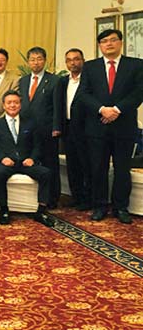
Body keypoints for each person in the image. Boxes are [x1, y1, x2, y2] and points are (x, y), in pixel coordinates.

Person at [79, 29, 143, 224]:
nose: (109, 44)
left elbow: (138, 92)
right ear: (100, 45)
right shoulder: (90, 67)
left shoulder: (136, 65)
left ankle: (120, 207)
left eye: (113, 40)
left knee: (122, 169)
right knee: (98, 168)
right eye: (104, 41)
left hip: (124, 126)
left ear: (121, 43)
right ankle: (99, 206)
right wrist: (102, 110)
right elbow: (83, 94)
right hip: (97, 126)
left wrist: (116, 110)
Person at [0, 90, 54, 226]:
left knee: (46, 173)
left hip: (25, 162)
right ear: (4, 105)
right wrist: (2, 158)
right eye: (9, 103)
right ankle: (4, 210)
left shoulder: (31, 123)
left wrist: (32, 159)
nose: (12, 105)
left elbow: (37, 145)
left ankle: (41, 211)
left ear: (20, 105)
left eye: (16, 102)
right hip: (6, 162)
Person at [18, 46, 59, 207]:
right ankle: (34, 198)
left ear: (45, 61)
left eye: (39, 59)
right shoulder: (23, 80)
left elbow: (57, 106)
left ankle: (52, 198)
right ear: (28, 62)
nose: (36, 62)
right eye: (32, 59)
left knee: (50, 163)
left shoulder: (54, 80)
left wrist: (56, 127)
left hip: (47, 129)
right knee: (31, 163)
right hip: (27, 130)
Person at [53, 48, 89, 210]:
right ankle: (76, 197)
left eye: (76, 59)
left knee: (86, 164)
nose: (73, 63)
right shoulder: (62, 81)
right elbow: (58, 105)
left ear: (83, 61)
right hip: (68, 128)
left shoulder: (89, 80)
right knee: (72, 164)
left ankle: (88, 198)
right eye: (69, 60)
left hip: (85, 129)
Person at [0, 49, 20, 119]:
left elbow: (14, 101)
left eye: (2, 60)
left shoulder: (15, 79)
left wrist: (3, 118)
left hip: (5, 119)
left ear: (6, 62)